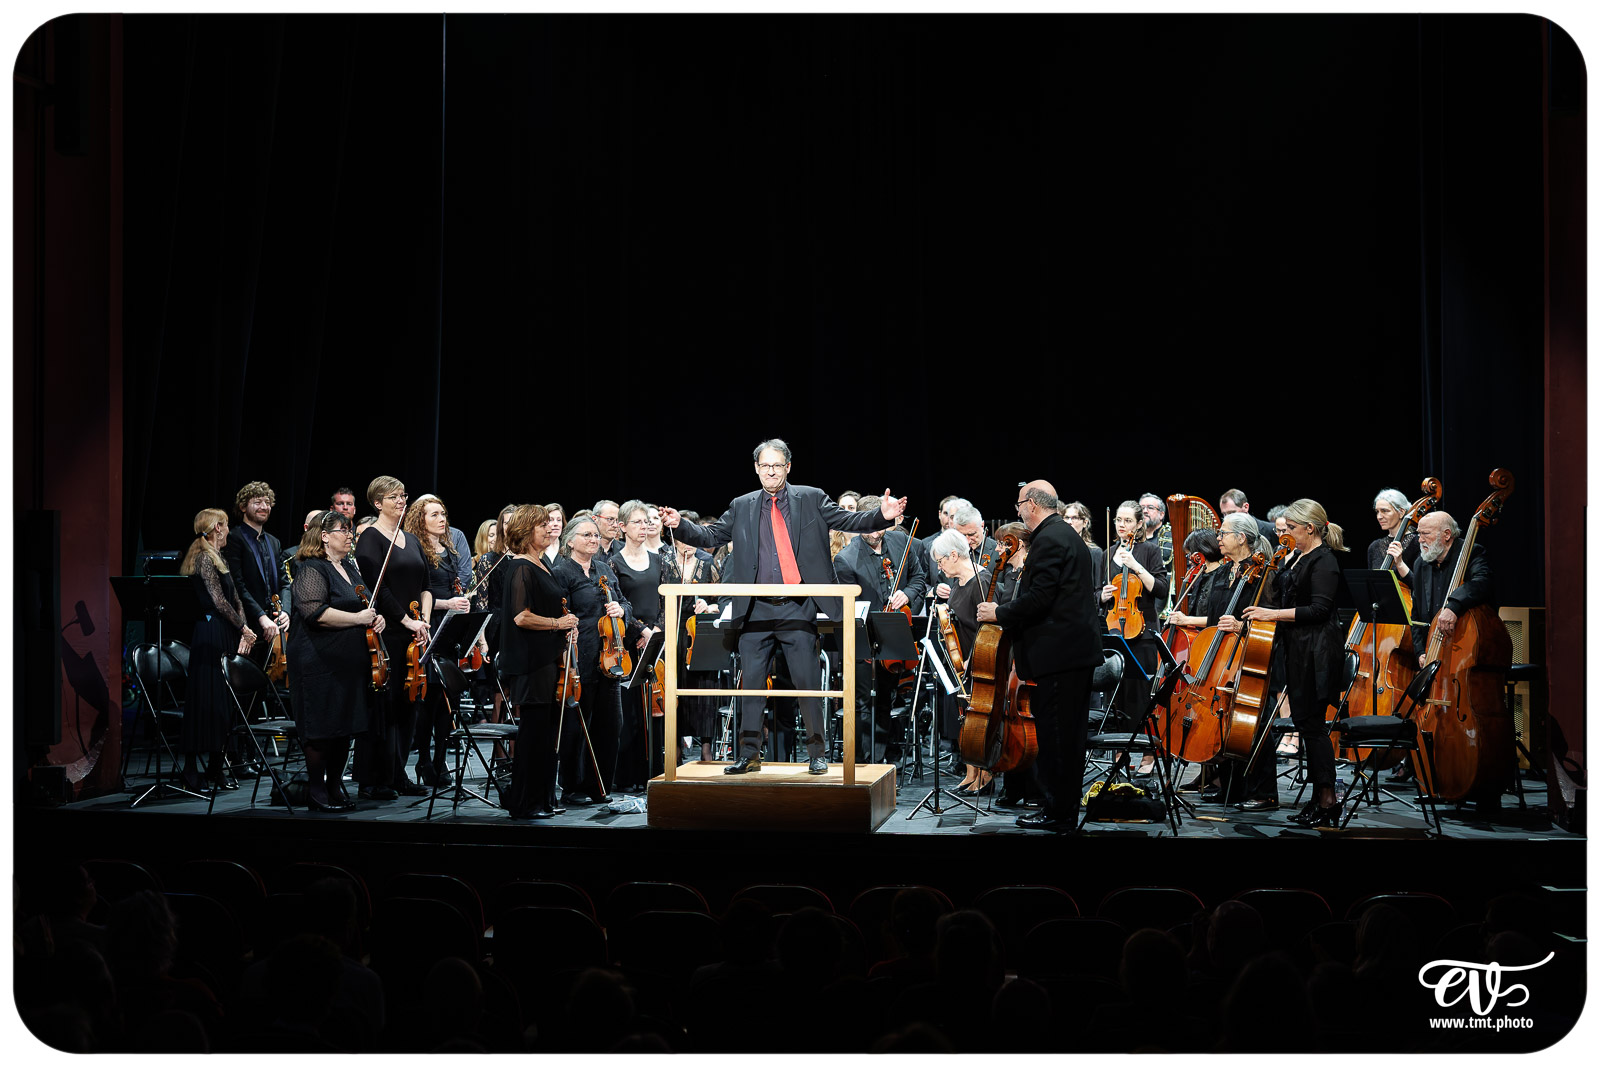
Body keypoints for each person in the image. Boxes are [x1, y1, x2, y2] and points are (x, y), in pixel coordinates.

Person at [661, 437, 906, 774]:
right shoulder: (742, 504)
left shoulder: (811, 497)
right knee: (751, 687)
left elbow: (848, 523)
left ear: (788, 467)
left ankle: (817, 754)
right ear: (757, 469)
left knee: (807, 683)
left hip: (797, 606)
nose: (771, 471)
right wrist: (681, 525)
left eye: (777, 465)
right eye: (765, 465)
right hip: (755, 609)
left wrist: (882, 515)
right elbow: (712, 535)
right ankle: (749, 754)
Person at [977, 480, 1101, 832]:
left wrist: (998, 613)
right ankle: (1060, 811)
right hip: (1070, 654)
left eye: (1019, 504)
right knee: (1064, 738)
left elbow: (1040, 598)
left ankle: (1058, 814)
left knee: (1059, 738)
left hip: (1061, 657)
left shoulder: (1049, 539)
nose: (1017, 511)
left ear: (1031, 504)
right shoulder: (1064, 535)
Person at [1241, 499, 1347, 826]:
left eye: (1292, 528)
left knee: (1313, 727)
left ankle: (1328, 799)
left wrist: (1271, 614)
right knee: (1304, 723)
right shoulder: (1297, 557)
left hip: (1317, 651)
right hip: (1298, 649)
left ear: (1310, 529)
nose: (1286, 533)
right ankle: (1318, 799)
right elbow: (1282, 590)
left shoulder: (1325, 561)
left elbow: (1318, 610)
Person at [1169, 512, 1281, 809]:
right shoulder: (1222, 573)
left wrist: (1242, 626)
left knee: (1254, 725)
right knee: (1226, 723)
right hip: (1224, 659)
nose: (1218, 538)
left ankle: (1264, 792)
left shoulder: (1264, 575)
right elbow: (1216, 618)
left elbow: (1271, 618)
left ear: (1241, 538)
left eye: (1223, 534)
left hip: (1250, 655)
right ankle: (1231, 786)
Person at [287, 511, 382, 812]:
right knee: (321, 728)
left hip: (348, 663)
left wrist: (374, 618)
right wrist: (357, 618)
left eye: (350, 530)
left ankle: (334, 786)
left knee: (344, 727)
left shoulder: (350, 569)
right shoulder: (312, 568)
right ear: (324, 536)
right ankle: (317, 792)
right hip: (318, 662)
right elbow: (315, 613)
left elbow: (364, 604)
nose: (350, 535)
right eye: (343, 530)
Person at [830, 494, 928, 763]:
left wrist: (906, 594)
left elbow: (919, 578)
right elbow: (848, 607)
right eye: (872, 525)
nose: (877, 532)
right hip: (863, 639)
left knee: (887, 699)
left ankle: (882, 760)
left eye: (882, 525)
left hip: (894, 637)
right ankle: (861, 763)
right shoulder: (846, 560)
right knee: (861, 703)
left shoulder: (903, 543)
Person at [497, 505, 580, 820]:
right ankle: (525, 802)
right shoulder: (521, 568)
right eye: (542, 525)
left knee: (544, 735)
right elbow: (521, 616)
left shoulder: (541, 563)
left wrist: (565, 624)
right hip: (531, 664)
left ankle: (541, 798)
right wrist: (558, 624)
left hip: (546, 661)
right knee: (533, 735)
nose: (549, 529)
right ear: (525, 531)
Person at [351, 476, 432, 801]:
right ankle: (373, 779)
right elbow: (378, 589)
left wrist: (423, 620)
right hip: (390, 633)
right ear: (377, 502)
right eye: (393, 496)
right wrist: (407, 621)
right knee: (383, 706)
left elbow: (425, 583)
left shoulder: (410, 539)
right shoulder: (370, 538)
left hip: (415, 632)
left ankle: (399, 773)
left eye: (403, 495)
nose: (401, 501)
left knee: (408, 705)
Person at [551, 515, 634, 804]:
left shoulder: (604, 569)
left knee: (611, 725)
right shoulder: (562, 572)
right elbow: (558, 614)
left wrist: (621, 609)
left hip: (610, 659)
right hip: (581, 657)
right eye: (586, 535)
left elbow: (626, 603)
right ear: (570, 540)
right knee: (578, 725)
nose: (593, 540)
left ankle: (600, 785)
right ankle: (572, 787)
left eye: (596, 536)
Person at [178, 508, 256, 792]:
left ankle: (216, 766)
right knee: (206, 699)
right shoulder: (202, 557)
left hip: (226, 631)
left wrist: (243, 628)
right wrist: (243, 628)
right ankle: (191, 769)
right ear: (215, 528)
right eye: (224, 525)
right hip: (210, 632)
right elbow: (218, 601)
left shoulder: (219, 556)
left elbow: (235, 597)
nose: (227, 530)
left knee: (225, 701)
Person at [404, 494, 474, 788]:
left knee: (449, 701)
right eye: (434, 515)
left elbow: (456, 583)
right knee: (429, 701)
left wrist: (461, 603)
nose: (442, 518)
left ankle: (441, 758)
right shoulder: (415, 548)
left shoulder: (449, 548)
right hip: (429, 625)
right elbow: (422, 591)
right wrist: (448, 604)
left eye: (443, 513)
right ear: (420, 519)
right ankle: (422, 760)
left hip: (450, 630)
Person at [927, 528, 994, 795]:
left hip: (978, 660)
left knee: (979, 721)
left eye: (941, 561)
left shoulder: (983, 581)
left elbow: (988, 628)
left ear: (954, 555)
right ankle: (970, 773)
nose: (940, 567)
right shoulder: (957, 583)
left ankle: (985, 775)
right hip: (959, 663)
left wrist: (971, 658)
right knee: (963, 718)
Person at [611, 500, 665, 792]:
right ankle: (628, 775)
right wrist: (640, 631)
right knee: (630, 713)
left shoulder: (659, 560)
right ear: (622, 527)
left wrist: (655, 631)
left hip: (654, 642)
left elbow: (666, 600)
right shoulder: (614, 562)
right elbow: (619, 602)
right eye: (637, 522)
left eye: (646, 522)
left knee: (654, 711)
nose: (643, 527)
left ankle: (652, 772)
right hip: (629, 644)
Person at [661, 513, 723, 762]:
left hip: (699, 635)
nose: (687, 541)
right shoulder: (664, 561)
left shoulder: (707, 562)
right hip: (672, 633)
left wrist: (708, 606)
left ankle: (707, 749)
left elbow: (722, 599)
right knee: (675, 690)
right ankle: (675, 746)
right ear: (674, 538)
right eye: (682, 537)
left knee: (704, 692)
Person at [221, 481, 291, 673]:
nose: (264, 507)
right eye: (257, 502)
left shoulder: (274, 542)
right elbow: (238, 586)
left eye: (267, 502)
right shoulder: (234, 538)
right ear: (243, 507)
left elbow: (285, 583)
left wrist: (286, 611)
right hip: (249, 624)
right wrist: (260, 616)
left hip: (274, 624)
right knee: (247, 681)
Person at [1404, 510, 1494, 655]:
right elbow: (1416, 615)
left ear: (1446, 534)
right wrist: (1420, 651)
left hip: (1464, 646)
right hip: (1431, 648)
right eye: (1419, 534)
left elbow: (1481, 582)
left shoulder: (1472, 553)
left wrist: (1453, 606)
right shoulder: (1420, 564)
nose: (1420, 540)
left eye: (1425, 534)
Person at [1369, 487, 1421, 574]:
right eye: (1377, 511)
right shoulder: (1374, 547)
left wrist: (1400, 564)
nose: (1379, 517)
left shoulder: (1418, 543)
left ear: (1401, 512)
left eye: (1384, 511)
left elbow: (1421, 585)